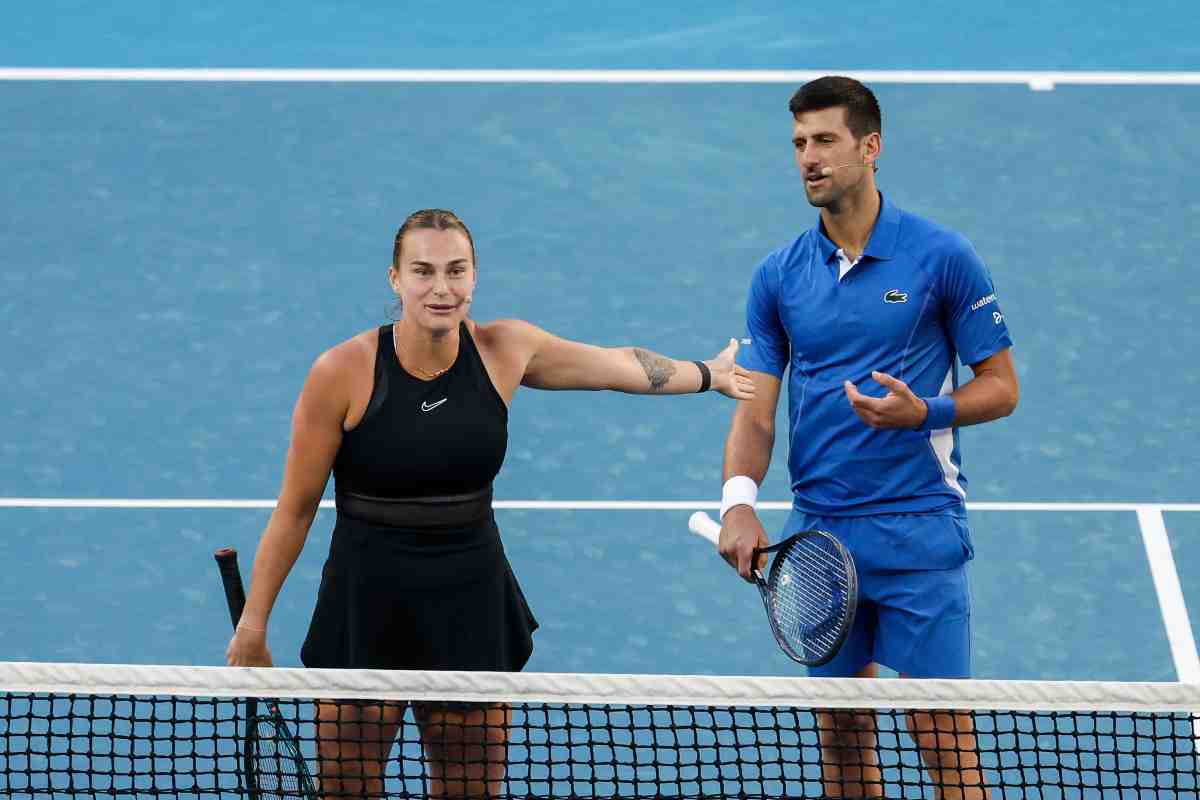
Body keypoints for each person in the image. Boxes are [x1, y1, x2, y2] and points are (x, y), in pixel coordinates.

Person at [224, 208, 754, 798]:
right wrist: (254, 624)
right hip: (364, 599)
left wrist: (709, 373)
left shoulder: (505, 349)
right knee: (347, 785)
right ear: (395, 280)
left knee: (470, 785)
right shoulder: (340, 372)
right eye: (423, 271)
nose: (441, 288)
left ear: (475, 276)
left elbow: (619, 366)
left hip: (468, 599)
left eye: (456, 271)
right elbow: (295, 507)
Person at [717, 77, 1019, 799]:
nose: (808, 159)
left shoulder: (942, 258)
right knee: (843, 742)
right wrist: (737, 501)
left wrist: (927, 414)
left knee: (944, 742)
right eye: (798, 144)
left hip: (919, 531)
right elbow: (757, 408)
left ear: (870, 146)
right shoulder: (779, 275)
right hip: (822, 539)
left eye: (824, 140)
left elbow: (1002, 387)